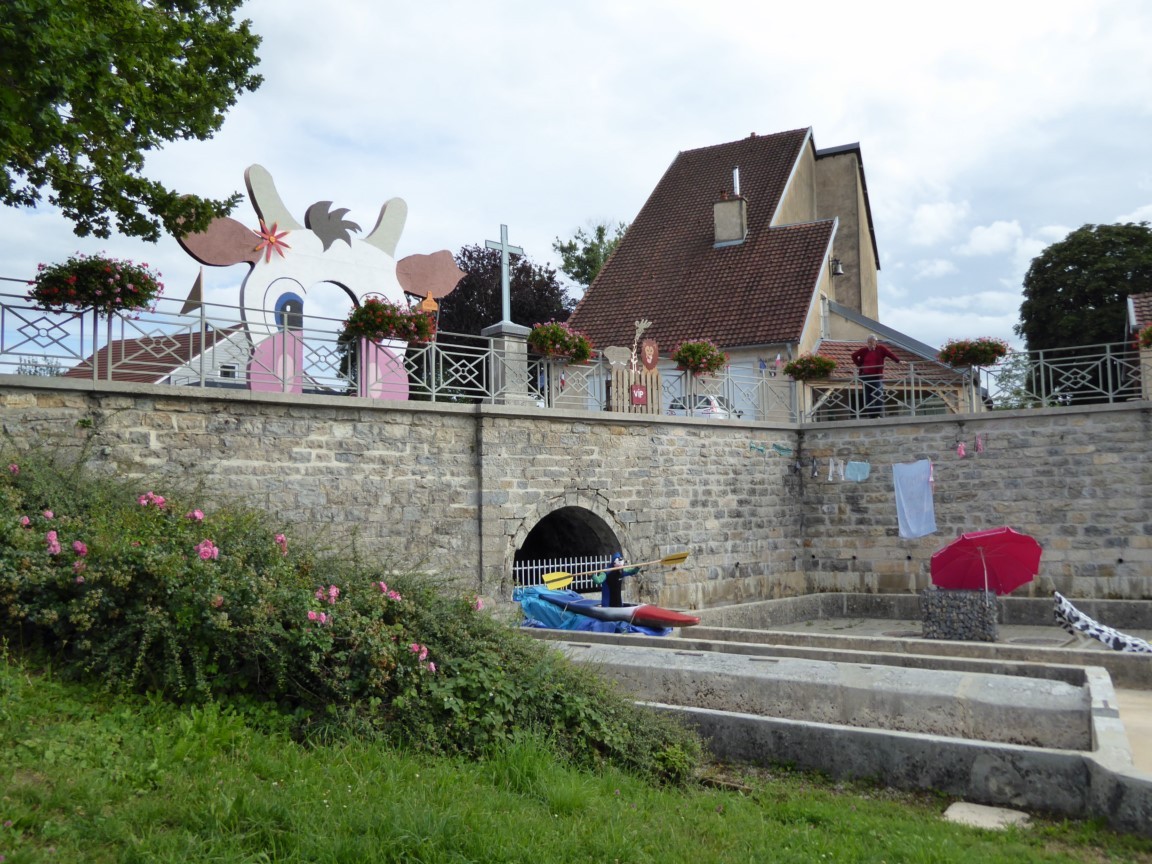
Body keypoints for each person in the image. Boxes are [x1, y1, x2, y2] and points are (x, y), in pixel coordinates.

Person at [851, 335, 901, 418]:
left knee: (879, 393)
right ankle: (871, 415)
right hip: (865, 376)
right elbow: (853, 355)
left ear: (876, 342)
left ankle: (877, 412)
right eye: (868, 342)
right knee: (868, 396)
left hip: (877, 376)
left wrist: (898, 361)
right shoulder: (864, 350)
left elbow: (890, 354)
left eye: (871, 342)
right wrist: (859, 365)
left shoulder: (881, 349)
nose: (870, 344)